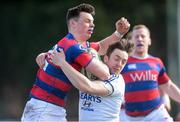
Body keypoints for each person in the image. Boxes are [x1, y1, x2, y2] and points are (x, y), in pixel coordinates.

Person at [21, 3, 130, 122]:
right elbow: (105, 74)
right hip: (44, 109)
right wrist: (94, 56)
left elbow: (101, 46)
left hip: (47, 107)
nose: (92, 25)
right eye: (88, 21)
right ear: (73, 23)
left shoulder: (70, 44)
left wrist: (119, 33)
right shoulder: (74, 47)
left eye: (93, 22)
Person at [50, 39, 134, 121]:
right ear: (106, 58)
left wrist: (62, 63)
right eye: (116, 59)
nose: (119, 64)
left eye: (123, 61)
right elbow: (69, 50)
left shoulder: (117, 82)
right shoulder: (90, 71)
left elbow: (88, 87)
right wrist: (47, 55)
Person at [119, 24, 180, 121]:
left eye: (143, 36)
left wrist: (166, 97)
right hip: (128, 116)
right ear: (131, 41)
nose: (140, 39)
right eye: (136, 36)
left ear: (149, 41)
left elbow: (168, 86)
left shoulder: (157, 62)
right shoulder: (122, 62)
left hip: (155, 114)